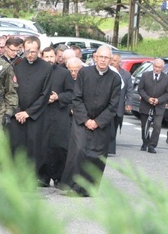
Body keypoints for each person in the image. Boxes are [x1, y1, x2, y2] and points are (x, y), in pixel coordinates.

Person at [61, 46, 121, 196]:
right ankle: (74, 186)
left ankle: (89, 188)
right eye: (100, 57)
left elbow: (113, 106)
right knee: (79, 151)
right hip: (82, 120)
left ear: (110, 60)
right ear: (95, 57)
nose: (102, 60)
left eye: (106, 58)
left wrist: (98, 122)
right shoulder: (84, 73)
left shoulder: (115, 79)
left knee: (96, 154)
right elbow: (77, 98)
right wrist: (86, 119)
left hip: (101, 123)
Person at [10, 37, 52, 187]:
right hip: (17, 114)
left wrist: (28, 113)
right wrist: (17, 111)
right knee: (16, 146)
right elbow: (11, 90)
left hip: (35, 115)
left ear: (39, 51)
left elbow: (45, 94)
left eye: (33, 52)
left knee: (34, 148)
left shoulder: (47, 68)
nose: (30, 55)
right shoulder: (16, 65)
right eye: (27, 51)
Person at [39, 47, 74, 187]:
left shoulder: (64, 73)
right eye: (46, 56)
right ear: (42, 57)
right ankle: (43, 177)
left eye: (51, 56)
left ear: (56, 57)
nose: (49, 59)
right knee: (42, 146)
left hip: (60, 114)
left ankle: (60, 177)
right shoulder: (38, 71)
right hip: (42, 114)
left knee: (60, 146)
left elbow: (72, 93)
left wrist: (57, 97)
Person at [137, 59, 168, 153]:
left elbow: (167, 93)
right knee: (144, 126)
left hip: (159, 107)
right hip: (146, 105)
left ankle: (152, 145)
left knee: (157, 126)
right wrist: (147, 98)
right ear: (153, 66)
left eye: (159, 67)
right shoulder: (145, 75)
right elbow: (140, 89)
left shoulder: (166, 78)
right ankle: (145, 142)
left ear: (162, 68)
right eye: (155, 67)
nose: (157, 69)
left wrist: (159, 100)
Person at [109, 53, 137, 155]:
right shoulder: (108, 72)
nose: (112, 62)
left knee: (114, 126)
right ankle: (108, 149)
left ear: (120, 62)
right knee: (108, 126)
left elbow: (129, 90)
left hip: (119, 105)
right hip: (107, 105)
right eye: (111, 60)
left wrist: (128, 103)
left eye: (115, 60)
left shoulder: (126, 74)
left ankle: (111, 148)